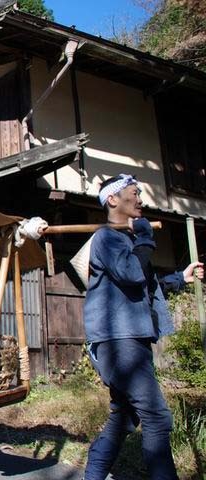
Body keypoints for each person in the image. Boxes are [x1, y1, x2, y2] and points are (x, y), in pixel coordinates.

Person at [83, 174, 204, 480]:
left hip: (131, 338)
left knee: (125, 416)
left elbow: (144, 287)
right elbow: (132, 275)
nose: (140, 199)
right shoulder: (107, 237)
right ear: (113, 199)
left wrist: (180, 278)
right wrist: (147, 237)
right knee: (157, 417)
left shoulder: (127, 240)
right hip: (117, 340)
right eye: (134, 193)